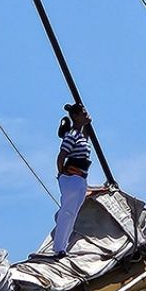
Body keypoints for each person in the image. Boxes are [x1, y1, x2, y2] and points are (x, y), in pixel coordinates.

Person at [51, 103, 92, 257]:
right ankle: (58, 247)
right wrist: (61, 174)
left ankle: (63, 247)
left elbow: (87, 138)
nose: (86, 114)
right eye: (83, 113)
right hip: (71, 177)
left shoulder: (81, 136)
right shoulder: (72, 135)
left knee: (73, 213)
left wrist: (88, 122)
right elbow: (62, 155)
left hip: (81, 178)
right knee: (67, 212)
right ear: (76, 116)